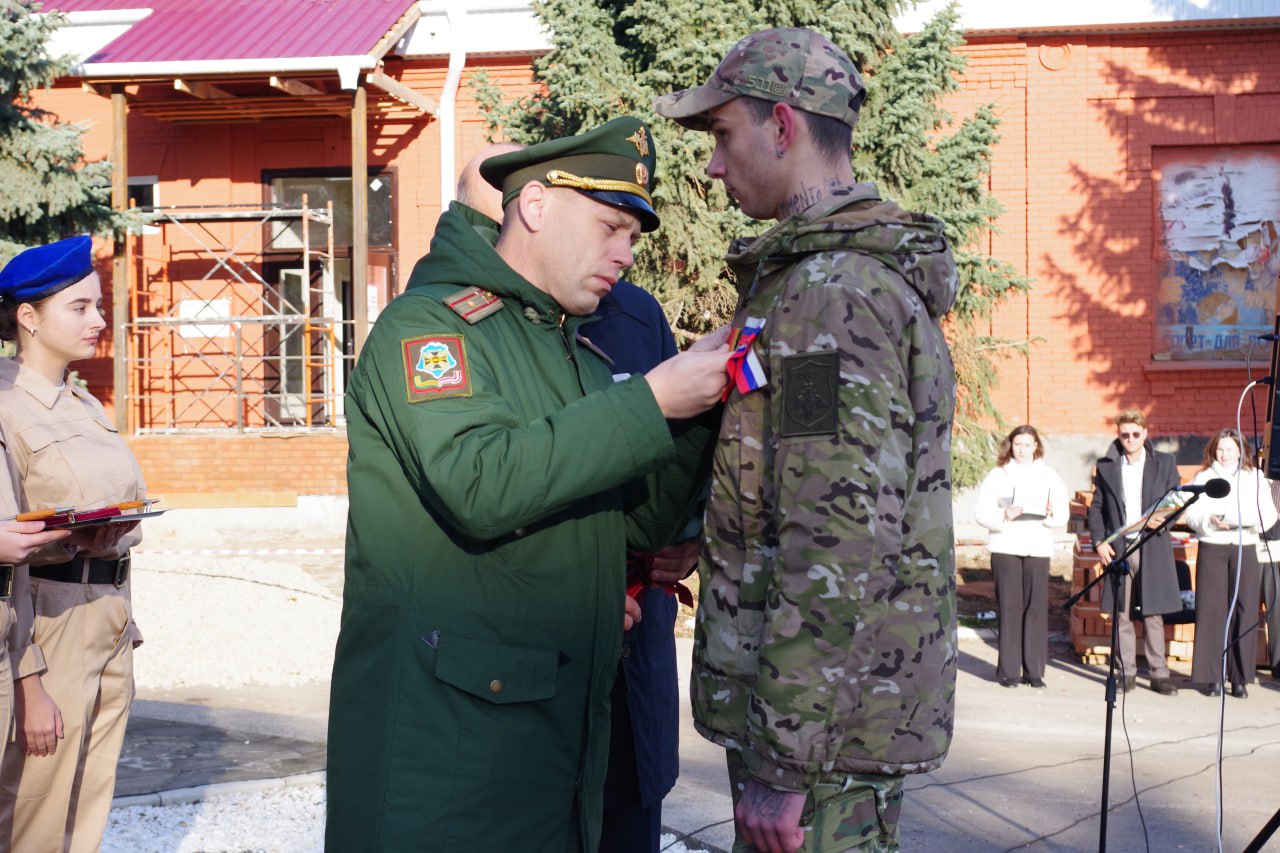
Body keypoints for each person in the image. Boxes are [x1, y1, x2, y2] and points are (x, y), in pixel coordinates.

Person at [325, 117, 730, 852]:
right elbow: (479, 482)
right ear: (535, 206)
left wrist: (702, 410)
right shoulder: (432, 331)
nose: (624, 253)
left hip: (545, 749)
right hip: (451, 761)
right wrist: (652, 401)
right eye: (611, 226)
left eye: (634, 237)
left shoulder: (560, 343)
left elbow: (631, 525)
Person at [654, 27, 959, 853]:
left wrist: (784, 764)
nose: (712, 164)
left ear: (782, 127)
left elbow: (836, 534)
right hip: (827, 719)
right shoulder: (815, 280)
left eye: (723, 134)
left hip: (821, 739)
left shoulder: (831, 299)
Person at [455, 140, 703, 851]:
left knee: (628, 822)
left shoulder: (634, 318)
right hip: (525, 695)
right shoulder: (447, 326)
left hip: (631, 683)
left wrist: (687, 538)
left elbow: (673, 455)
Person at [0, 235, 147, 852]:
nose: (99, 320)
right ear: (27, 318)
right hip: (48, 626)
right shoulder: (7, 405)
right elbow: (8, 561)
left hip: (107, 616)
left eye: (98, 306)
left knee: (87, 807)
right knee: (35, 813)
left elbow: (129, 504)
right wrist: (28, 682)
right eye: (80, 308)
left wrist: (114, 527)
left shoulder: (83, 402)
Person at [1086, 408, 1181, 696]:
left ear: (1145, 434)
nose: (1130, 439)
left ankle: (1158, 674)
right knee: (1121, 612)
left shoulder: (1164, 463)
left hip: (1152, 544)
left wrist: (1163, 520)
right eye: (1124, 435)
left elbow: (1176, 500)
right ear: (1119, 435)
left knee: (1153, 613)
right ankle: (1125, 671)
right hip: (1120, 548)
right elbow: (1097, 508)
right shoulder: (1108, 466)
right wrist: (1100, 542)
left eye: (1135, 434)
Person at [1182, 429, 1276, 698]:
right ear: (1213, 451)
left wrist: (1251, 523)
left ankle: (1240, 677)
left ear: (1240, 450)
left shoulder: (1254, 477)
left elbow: (1268, 513)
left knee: (1244, 610)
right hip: (1213, 547)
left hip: (1245, 546)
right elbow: (1191, 515)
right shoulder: (1204, 477)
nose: (1225, 455)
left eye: (1230, 449)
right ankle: (1211, 676)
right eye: (1220, 449)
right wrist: (1209, 520)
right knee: (1211, 610)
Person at [974, 425, 1070, 689]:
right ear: (1011, 445)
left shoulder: (1049, 476)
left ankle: (1035, 671)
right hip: (1005, 545)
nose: (1022, 449)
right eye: (1018, 444)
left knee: (1036, 608)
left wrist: (1051, 513)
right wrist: (1005, 515)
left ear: (1036, 446)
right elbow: (981, 512)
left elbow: (1062, 515)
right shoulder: (997, 475)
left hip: (1037, 546)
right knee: (1010, 607)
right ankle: (1009, 671)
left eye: (1028, 444)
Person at [1258, 478, 1280, 680]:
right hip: (1252, 548)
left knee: (1277, 609)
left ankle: (1278, 662)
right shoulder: (1255, 479)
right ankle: (1240, 664)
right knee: (1244, 608)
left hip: (1277, 552)